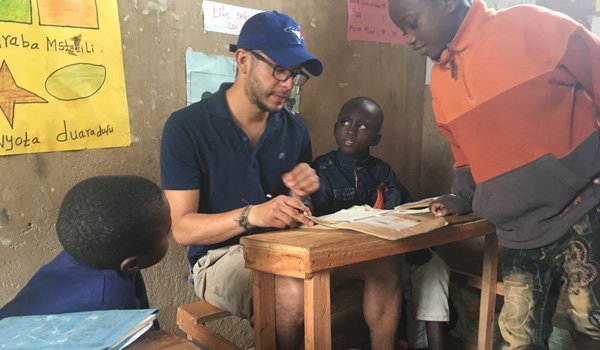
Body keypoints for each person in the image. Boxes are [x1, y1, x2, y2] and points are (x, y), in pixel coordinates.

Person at [160, 11, 402, 349]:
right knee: (291, 288)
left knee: (383, 263)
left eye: (295, 75)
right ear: (243, 60)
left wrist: (299, 196)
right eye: (279, 70)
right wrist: (252, 215)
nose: (288, 84)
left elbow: (296, 211)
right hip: (218, 257)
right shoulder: (187, 127)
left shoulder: (294, 128)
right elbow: (183, 229)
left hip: (287, 247)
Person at [388, 0, 600, 348]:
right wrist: (462, 195)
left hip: (583, 211)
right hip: (519, 232)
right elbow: (464, 155)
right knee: (519, 338)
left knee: (591, 326)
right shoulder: (442, 81)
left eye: (412, 23)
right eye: (402, 30)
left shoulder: (528, 25)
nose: (409, 39)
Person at [312, 96, 449, 350]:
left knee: (433, 264)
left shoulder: (382, 171)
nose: (351, 130)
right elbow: (314, 223)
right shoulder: (322, 169)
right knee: (392, 270)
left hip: (388, 248)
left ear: (376, 139)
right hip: (346, 255)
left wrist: (422, 226)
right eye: (345, 122)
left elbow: (404, 211)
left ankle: (434, 345)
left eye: (363, 126)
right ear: (335, 127)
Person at [0, 176, 171, 319]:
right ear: (130, 264)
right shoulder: (110, 303)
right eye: (167, 232)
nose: (171, 234)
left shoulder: (84, 256)